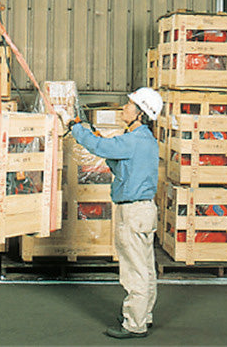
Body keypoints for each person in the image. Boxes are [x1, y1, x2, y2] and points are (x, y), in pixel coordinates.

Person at [67, 87, 163, 339]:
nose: (124, 107)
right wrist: (96, 137)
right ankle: (143, 315)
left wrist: (76, 130)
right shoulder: (143, 140)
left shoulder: (134, 140)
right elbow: (119, 165)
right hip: (143, 211)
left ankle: (134, 325)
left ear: (141, 113)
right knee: (145, 268)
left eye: (130, 105)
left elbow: (100, 147)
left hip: (133, 212)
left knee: (134, 271)